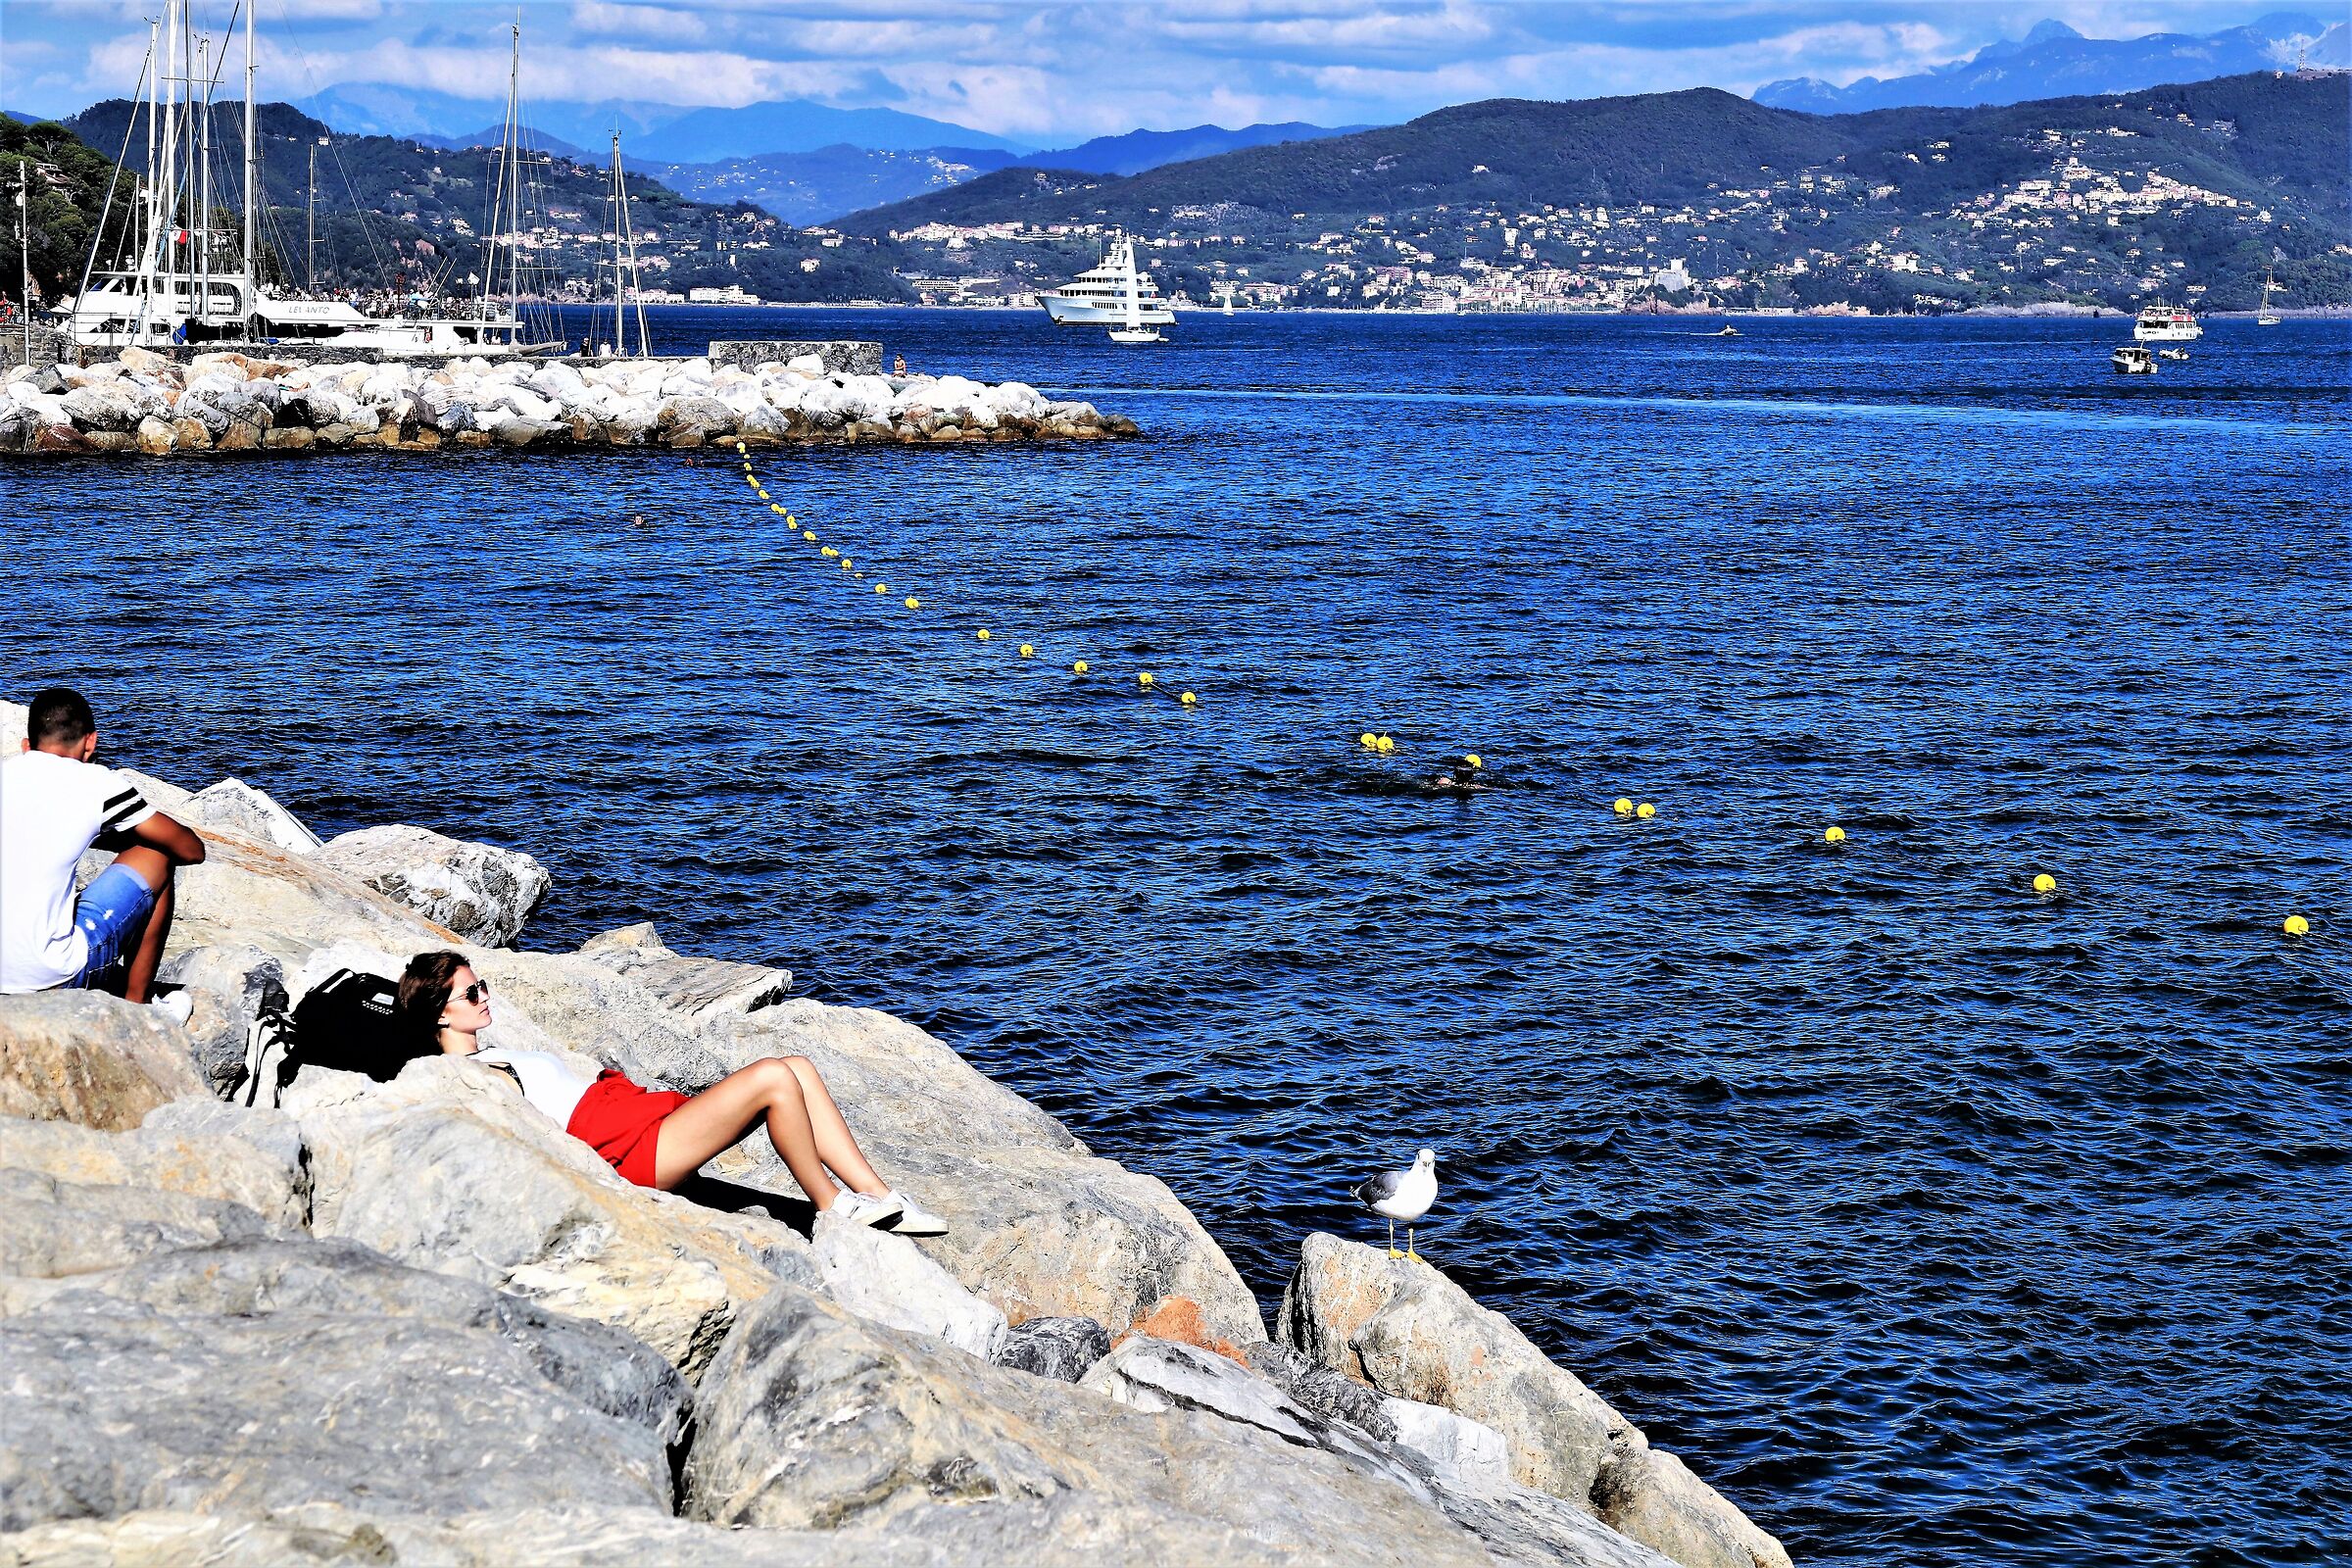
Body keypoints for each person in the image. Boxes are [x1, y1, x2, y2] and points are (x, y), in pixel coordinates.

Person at [396, 950, 946, 1233]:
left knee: (796, 1065)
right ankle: (832, 1208)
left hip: (635, 1124)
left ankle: (880, 1197)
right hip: (627, 1155)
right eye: (472, 993)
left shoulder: (493, 1053)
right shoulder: (475, 1076)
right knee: (774, 1079)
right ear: (441, 1012)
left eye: (482, 985)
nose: (484, 996)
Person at [1, 687, 206, 1013]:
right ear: (90, 742)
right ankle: (139, 1011)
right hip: (49, 977)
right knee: (158, 856)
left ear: (26, 746)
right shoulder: (96, 782)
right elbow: (192, 850)